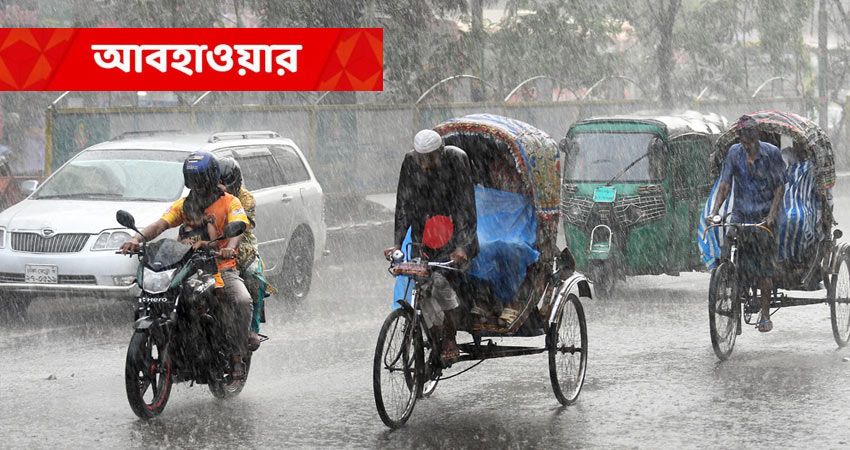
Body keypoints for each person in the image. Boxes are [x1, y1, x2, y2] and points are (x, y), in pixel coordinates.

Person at [120, 151, 253, 379]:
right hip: (188, 269)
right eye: (193, 179)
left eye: (201, 179)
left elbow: (239, 225)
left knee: (242, 300)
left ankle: (236, 356)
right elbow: (160, 225)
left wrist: (230, 247)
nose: (197, 184)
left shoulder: (231, 202)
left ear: (212, 177)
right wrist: (137, 238)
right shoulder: (184, 205)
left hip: (220, 267)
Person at [384, 129, 479, 362]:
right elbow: (403, 204)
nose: (424, 164)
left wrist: (462, 246)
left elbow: (466, 207)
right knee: (422, 286)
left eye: (430, 158)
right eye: (421, 159)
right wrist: (397, 243)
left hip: (455, 235)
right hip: (424, 235)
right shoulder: (410, 162)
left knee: (440, 283)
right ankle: (433, 336)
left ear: (441, 152)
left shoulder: (457, 159)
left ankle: (450, 337)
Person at [707, 115, 786, 333]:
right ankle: (732, 289)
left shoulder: (772, 153)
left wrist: (771, 215)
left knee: (764, 268)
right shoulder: (734, 153)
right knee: (730, 249)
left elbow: (780, 187)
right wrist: (714, 212)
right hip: (741, 215)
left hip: (765, 216)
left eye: (750, 137)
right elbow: (725, 184)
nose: (746, 142)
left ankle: (765, 314)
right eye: (742, 137)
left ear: (756, 135)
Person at [218, 156, 274, 351]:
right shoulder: (207, 196)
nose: (222, 189)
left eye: (225, 185)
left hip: (241, 242)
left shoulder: (246, 198)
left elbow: (241, 226)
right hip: (214, 241)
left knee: (252, 275)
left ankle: (253, 328)